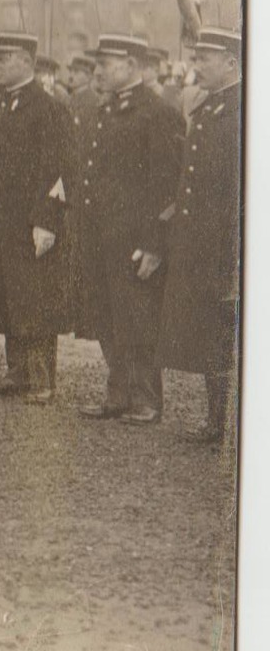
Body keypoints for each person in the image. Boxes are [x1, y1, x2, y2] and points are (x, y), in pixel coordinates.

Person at [71, 35, 184, 424]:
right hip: (101, 235)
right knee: (107, 316)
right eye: (98, 63)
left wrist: (155, 244)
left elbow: (166, 186)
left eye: (108, 63)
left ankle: (146, 398)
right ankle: (118, 393)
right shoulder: (106, 110)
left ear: (134, 65)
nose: (99, 70)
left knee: (138, 318)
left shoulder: (156, 112)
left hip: (134, 239)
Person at [0, 32, 77, 403]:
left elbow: (60, 170)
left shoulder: (47, 107)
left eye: (5, 58)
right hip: (0, 220)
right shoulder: (0, 103)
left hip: (30, 221)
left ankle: (42, 378)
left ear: (27, 61)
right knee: (8, 294)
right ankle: (18, 372)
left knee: (35, 297)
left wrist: (47, 220)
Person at [151, 28, 241, 443]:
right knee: (211, 332)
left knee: (226, 332)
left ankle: (233, 427)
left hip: (227, 243)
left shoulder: (244, 110)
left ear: (232, 63)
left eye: (205, 58)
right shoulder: (210, 109)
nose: (195, 65)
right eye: (196, 56)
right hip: (201, 242)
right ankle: (217, 422)